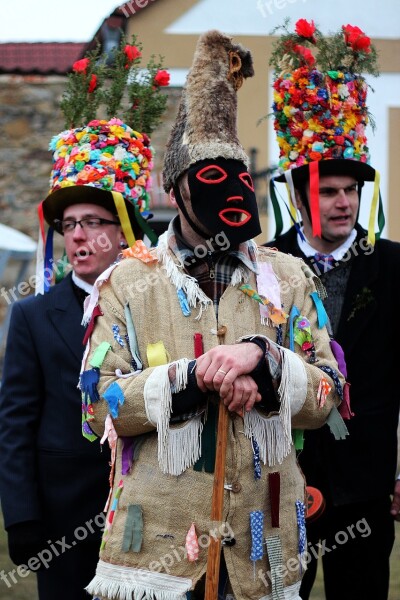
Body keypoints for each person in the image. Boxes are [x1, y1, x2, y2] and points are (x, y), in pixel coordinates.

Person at [80, 30, 346, 600]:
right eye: (208, 180)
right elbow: (94, 402)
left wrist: (265, 362)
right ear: (174, 192)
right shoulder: (127, 281)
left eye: (239, 180)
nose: (230, 196)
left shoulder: (291, 276)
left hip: (262, 543)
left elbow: (330, 395)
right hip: (158, 549)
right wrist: (191, 377)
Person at [0, 35, 167, 600]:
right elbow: (16, 423)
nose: (78, 234)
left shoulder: (161, 300)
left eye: (94, 220)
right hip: (61, 517)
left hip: (149, 509)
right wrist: (21, 515)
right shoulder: (30, 315)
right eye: (69, 223)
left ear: (124, 230)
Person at [265, 18, 400, 600]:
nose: (343, 202)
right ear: (298, 196)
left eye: (351, 190)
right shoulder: (261, 265)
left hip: (365, 478)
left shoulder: (393, 266)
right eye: (327, 190)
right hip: (279, 477)